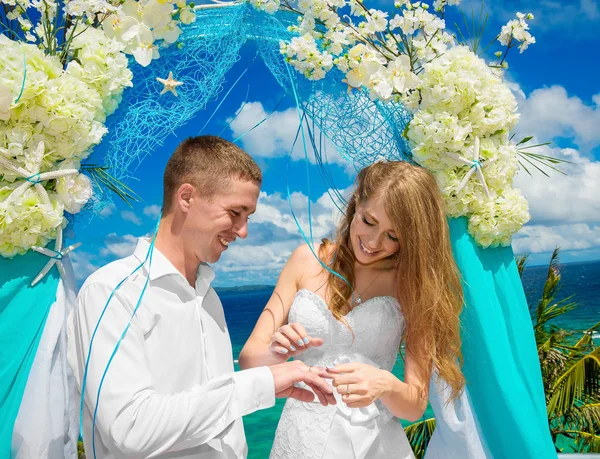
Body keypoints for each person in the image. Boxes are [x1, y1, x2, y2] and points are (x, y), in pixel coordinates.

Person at [67, 135, 336, 459]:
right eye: (235, 212)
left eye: (248, 216)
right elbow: (130, 427)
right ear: (186, 197)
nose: (244, 231)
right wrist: (259, 385)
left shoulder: (208, 298)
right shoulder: (111, 291)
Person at [239, 160, 466, 458]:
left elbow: (414, 405)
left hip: (375, 445)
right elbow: (248, 360)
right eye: (369, 221)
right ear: (356, 203)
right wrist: (278, 351)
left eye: (393, 236)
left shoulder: (411, 285)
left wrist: (385, 384)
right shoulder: (305, 259)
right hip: (300, 439)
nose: (373, 242)